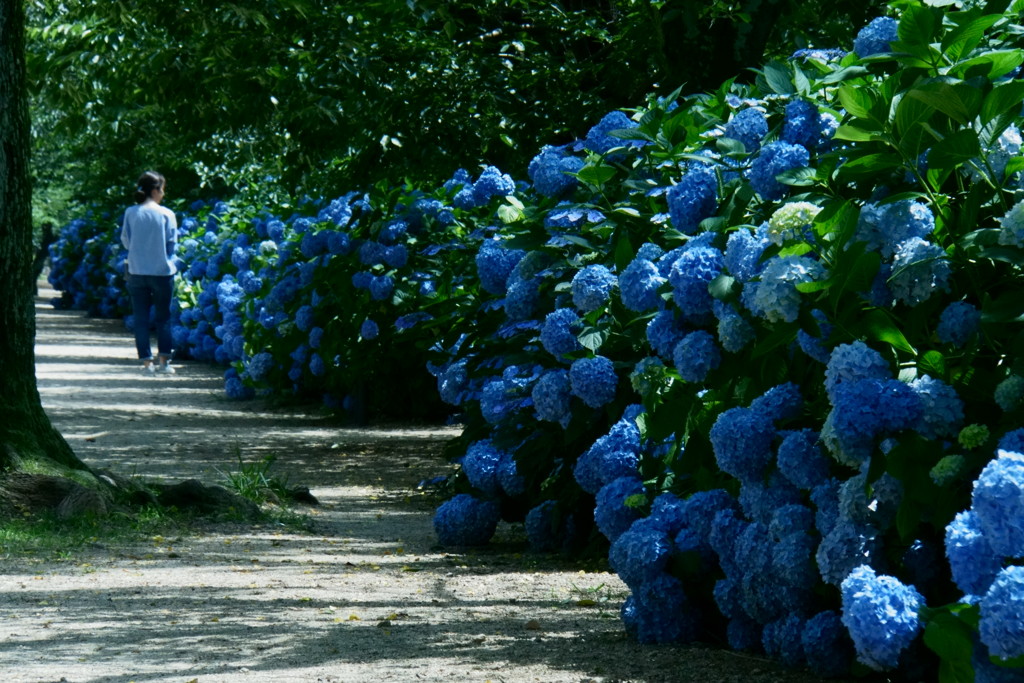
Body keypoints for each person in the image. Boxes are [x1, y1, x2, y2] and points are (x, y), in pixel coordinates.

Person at [121, 171, 178, 375]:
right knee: (163, 317)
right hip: (162, 272)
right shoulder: (167, 214)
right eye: (162, 189)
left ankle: (146, 363)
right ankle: (164, 362)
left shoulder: (131, 212)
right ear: (155, 190)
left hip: (136, 271)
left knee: (141, 318)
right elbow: (172, 244)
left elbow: (126, 241)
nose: (162, 193)